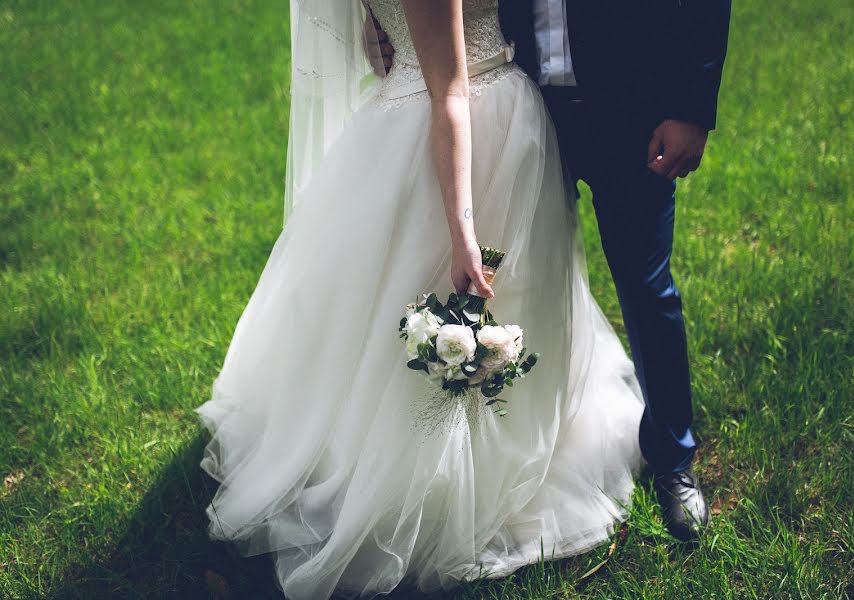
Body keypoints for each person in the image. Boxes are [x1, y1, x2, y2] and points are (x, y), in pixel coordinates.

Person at [195, 1, 685, 598]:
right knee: (447, 308)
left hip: (460, 117)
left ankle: (503, 444)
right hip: (464, 133)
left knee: (496, 306)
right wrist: (461, 232)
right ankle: (438, 484)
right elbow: (449, 91)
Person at [376, 0, 733, 541]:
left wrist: (691, 106)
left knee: (645, 286)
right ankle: (531, 449)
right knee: (528, 281)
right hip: (523, 107)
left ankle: (672, 458)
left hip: (634, 105)